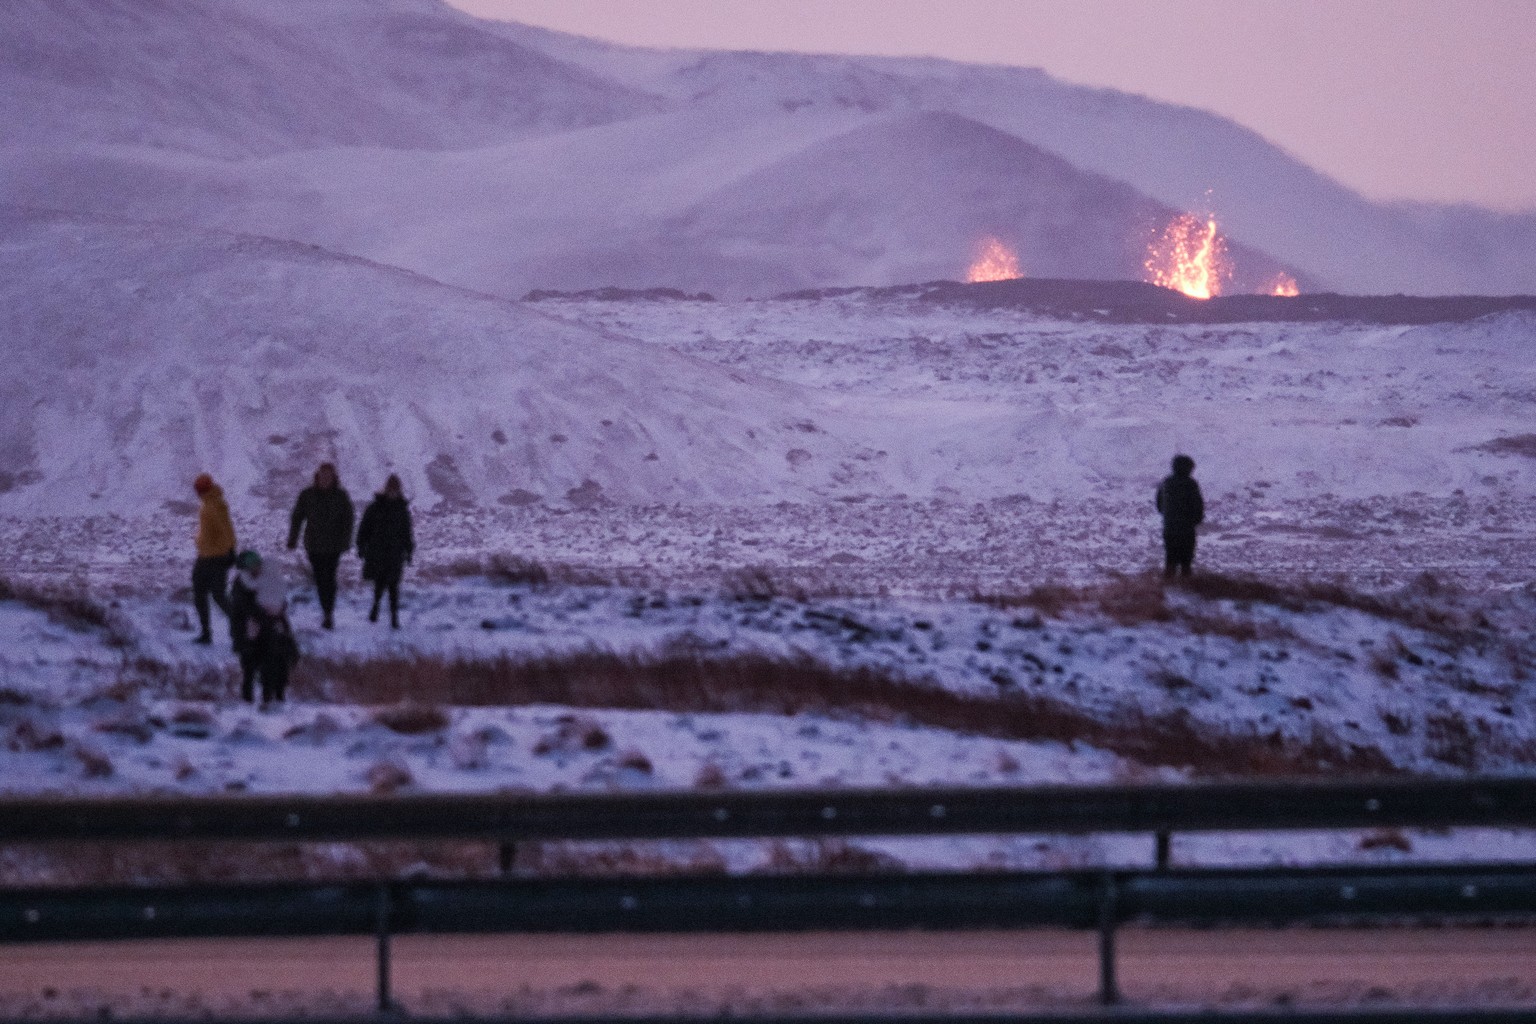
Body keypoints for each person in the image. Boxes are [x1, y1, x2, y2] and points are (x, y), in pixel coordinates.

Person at [287, 462, 354, 629]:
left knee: (329, 578)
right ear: (318, 477)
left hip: (333, 547)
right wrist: (292, 539)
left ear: (333, 478)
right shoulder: (307, 495)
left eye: (328, 476)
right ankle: (326, 610)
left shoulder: (341, 496)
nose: (325, 479)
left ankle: (328, 613)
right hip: (314, 546)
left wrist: (345, 541)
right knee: (320, 579)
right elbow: (297, 517)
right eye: (323, 476)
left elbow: (348, 520)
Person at [230, 549, 297, 706]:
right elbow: (244, 609)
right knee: (250, 667)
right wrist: (267, 615)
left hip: (269, 629)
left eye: (256, 564)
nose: (255, 568)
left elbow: (278, 599)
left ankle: (274, 697)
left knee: (275, 661)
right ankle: (249, 701)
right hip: (249, 632)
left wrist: (277, 612)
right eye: (251, 566)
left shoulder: (269, 578)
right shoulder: (241, 586)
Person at [356, 474, 414, 630]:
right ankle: (375, 607)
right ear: (387, 489)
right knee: (380, 583)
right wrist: (361, 546)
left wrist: (409, 551)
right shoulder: (374, 508)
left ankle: (394, 617)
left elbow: (407, 533)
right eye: (391, 489)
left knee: (394, 586)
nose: (393, 492)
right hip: (378, 553)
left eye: (395, 489)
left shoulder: (402, 510)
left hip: (395, 553)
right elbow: (364, 529)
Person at [190, 473, 236, 645]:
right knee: (217, 595)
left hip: (212, 557)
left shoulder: (210, 507)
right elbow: (228, 529)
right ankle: (235, 628)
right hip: (215, 556)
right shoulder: (217, 502)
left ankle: (207, 633)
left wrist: (227, 550)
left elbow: (223, 531)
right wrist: (231, 550)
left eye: (198, 489)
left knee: (204, 595)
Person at [1155, 454, 1205, 578]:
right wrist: (1196, 520)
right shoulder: (1191, 484)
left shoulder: (1166, 483)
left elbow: (1159, 505)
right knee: (1186, 563)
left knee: (1170, 561)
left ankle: (1169, 590)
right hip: (1186, 529)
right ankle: (1185, 591)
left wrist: (1168, 517)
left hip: (1169, 528)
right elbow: (1197, 505)